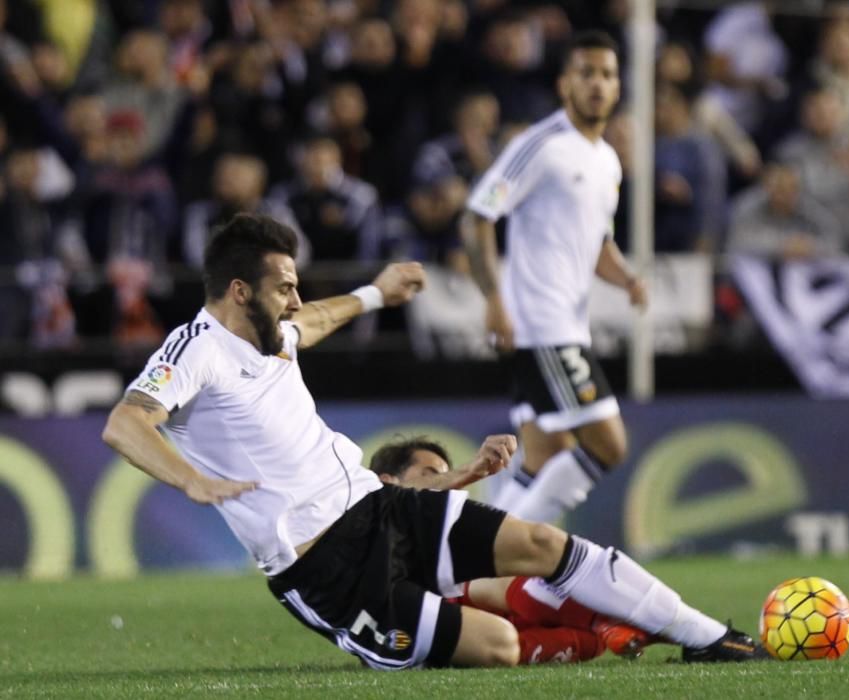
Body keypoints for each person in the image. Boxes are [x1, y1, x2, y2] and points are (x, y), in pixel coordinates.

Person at [102, 213, 762, 670]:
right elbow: (126, 422)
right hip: (325, 571)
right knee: (498, 646)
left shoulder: (272, 331)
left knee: (541, 544)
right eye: (284, 288)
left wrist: (374, 293)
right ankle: (398, 642)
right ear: (239, 291)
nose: (297, 300)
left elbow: (314, 320)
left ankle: (707, 637)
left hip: (376, 507)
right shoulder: (196, 350)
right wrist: (191, 480)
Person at [461, 30, 648, 523]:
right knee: (608, 446)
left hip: (564, 323)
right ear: (566, 83)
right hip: (541, 325)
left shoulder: (607, 161)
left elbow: (597, 244)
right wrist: (493, 298)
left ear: (617, 86)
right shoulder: (541, 145)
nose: (598, 84)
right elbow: (479, 214)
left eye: (607, 74)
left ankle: (476, 563)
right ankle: (507, 559)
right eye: (586, 73)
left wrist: (627, 279)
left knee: (543, 458)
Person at [368, 435, 658, 664]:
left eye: (445, 478)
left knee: (587, 641)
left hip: (452, 615)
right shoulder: (356, 533)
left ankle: (606, 624)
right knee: (500, 636)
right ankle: (613, 621)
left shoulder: (441, 542)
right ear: (386, 482)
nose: (443, 489)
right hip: (404, 623)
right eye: (430, 475)